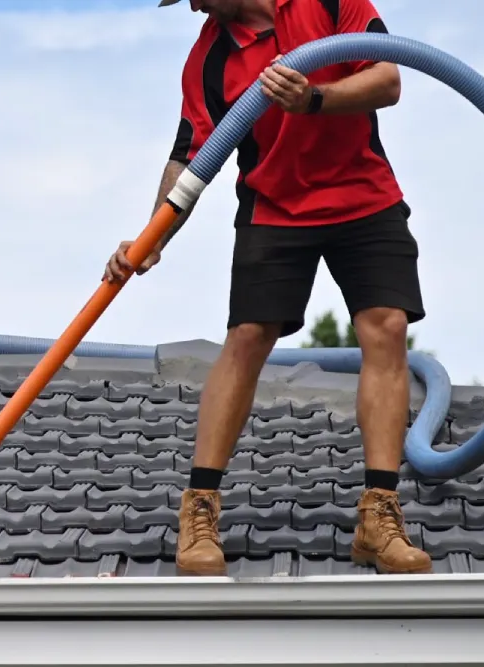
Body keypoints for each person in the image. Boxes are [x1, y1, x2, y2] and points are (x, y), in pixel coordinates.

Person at [108, 0, 431, 575]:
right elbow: (189, 157)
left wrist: (312, 99)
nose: (193, 4)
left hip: (363, 195)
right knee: (249, 336)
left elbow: (387, 79)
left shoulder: (329, 3)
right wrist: (148, 240)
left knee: (387, 326)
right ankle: (199, 510)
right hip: (276, 208)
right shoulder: (209, 60)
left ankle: (379, 517)